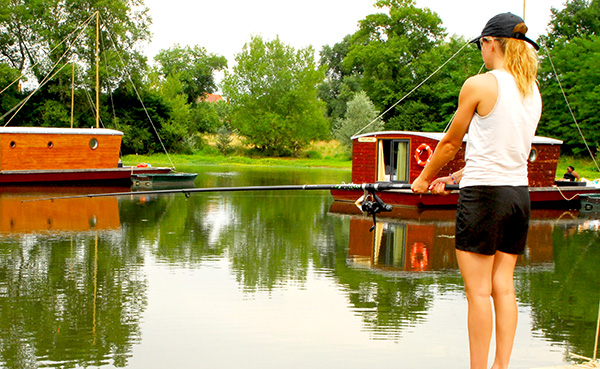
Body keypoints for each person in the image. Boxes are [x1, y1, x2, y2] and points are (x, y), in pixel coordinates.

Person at [411, 12, 542, 369]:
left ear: (490, 43)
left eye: (481, 45)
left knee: (478, 291)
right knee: (504, 285)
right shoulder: (531, 92)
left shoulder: (480, 84)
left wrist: (422, 179)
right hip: (518, 197)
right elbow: (500, 153)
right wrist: (451, 180)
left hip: (484, 198)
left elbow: (451, 143)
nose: (480, 52)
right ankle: (501, 366)